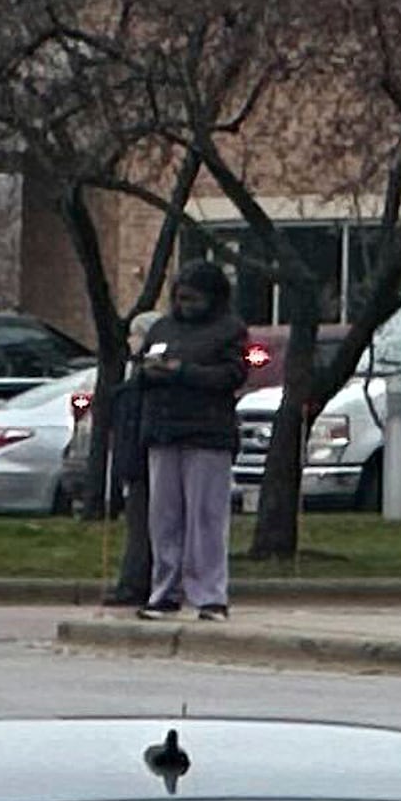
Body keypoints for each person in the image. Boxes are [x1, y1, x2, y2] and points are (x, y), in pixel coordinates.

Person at [138, 262, 247, 623]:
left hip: (208, 434)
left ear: (212, 298)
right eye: (180, 297)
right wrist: (148, 371)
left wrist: (180, 371)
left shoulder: (230, 331)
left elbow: (232, 375)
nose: (184, 304)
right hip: (164, 430)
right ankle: (164, 592)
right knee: (164, 518)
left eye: (193, 298)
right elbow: (140, 368)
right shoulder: (162, 327)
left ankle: (210, 595)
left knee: (206, 517)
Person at [101, 310, 162, 608]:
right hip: (134, 458)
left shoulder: (148, 376)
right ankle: (135, 581)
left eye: (136, 334)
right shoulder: (133, 372)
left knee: (142, 526)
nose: (130, 340)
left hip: (143, 458)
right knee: (137, 524)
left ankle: (136, 584)